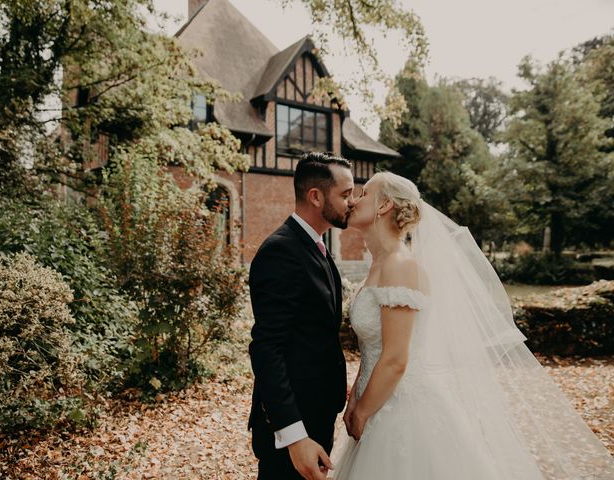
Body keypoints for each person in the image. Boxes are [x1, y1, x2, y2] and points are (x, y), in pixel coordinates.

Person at [330, 171, 614, 479]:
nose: (354, 200)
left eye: (364, 193)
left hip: (401, 409)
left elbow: (396, 359)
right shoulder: (379, 265)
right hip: (375, 401)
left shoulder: (400, 266)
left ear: (385, 205)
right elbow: (374, 345)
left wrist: (362, 412)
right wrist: (356, 399)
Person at [248, 152, 355, 480]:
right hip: (294, 430)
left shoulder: (317, 247)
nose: (352, 202)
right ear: (316, 196)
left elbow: (313, 332)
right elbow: (267, 348)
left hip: (318, 417)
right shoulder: (282, 251)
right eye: (345, 194)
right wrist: (294, 437)